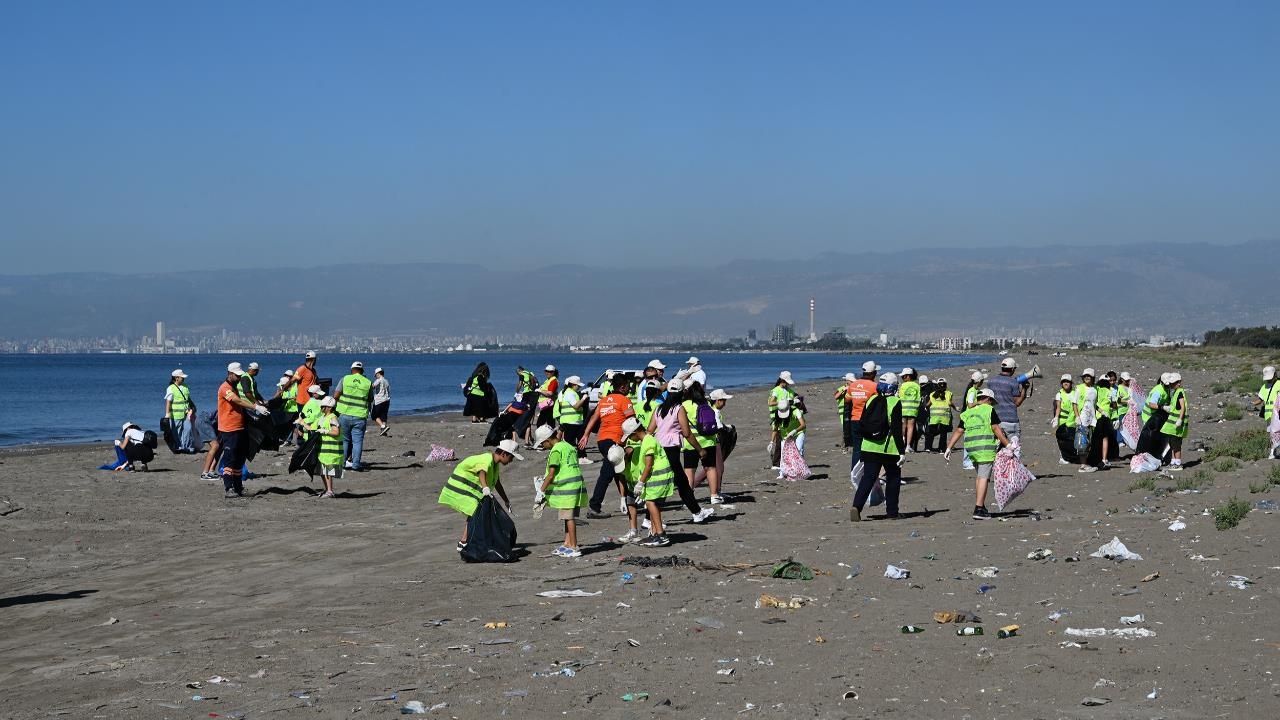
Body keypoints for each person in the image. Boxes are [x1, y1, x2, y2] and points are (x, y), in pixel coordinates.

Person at [438, 439, 521, 553]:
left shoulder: (495, 465)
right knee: (475, 511)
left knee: (475, 512)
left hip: (471, 489)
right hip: (461, 486)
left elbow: (497, 483)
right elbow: (482, 472)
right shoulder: (487, 459)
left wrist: (506, 501)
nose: (511, 460)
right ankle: (464, 542)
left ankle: (464, 541)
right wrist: (485, 487)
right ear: (503, 454)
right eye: (511, 457)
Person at [648, 378, 713, 522]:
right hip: (671, 449)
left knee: (673, 482)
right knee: (678, 482)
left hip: (659, 448)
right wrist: (700, 450)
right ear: (681, 392)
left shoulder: (659, 408)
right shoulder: (679, 408)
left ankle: (697, 512)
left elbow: (650, 430)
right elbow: (687, 433)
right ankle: (696, 513)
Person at [944, 388, 1011, 520]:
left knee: (980, 477)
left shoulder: (968, 412)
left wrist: (949, 448)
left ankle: (981, 505)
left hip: (971, 449)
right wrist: (1008, 444)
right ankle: (979, 508)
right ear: (988, 399)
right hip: (985, 448)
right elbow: (995, 428)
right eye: (991, 402)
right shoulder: (989, 410)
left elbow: (959, 430)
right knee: (984, 478)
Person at [579, 373, 636, 518]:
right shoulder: (625, 400)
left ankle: (627, 501)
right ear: (623, 386)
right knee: (607, 473)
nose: (629, 388)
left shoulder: (604, 400)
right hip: (615, 441)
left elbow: (594, 418)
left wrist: (586, 435)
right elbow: (632, 422)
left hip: (602, 440)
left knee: (618, 471)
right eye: (628, 386)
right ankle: (594, 507)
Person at [850, 372, 905, 522]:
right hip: (889, 448)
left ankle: (857, 506)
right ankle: (892, 512)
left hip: (868, 446)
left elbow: (863, 422)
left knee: (868, 478)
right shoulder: (895, 402)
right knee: (893, 478)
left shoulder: (871, 399)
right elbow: (896, 429)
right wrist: (902, 451)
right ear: (894, 387)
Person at [533, 425, 589, 557]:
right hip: (576, 486)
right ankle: (567, 543)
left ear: (547, 440)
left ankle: (574, 547)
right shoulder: (568, 446)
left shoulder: (556, 451)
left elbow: (551, 474)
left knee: (569, 518)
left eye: (542, 444)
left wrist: (541, 491)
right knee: (567, 517)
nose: (543, 447)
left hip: (566, 490)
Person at [624, 417, 678, 547]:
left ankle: (660, 535)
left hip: (658, 477)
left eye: (630, 436)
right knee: (653, 504)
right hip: (657, 477)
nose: (630, 439)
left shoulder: (648, 441)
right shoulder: (647, 439)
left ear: (635, 432)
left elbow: (649, 465)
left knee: (650, 502)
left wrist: (640, 483)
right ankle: (654, 533)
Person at [217, 362, 266, 498]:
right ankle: (229, 488)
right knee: (230, 458)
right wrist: (255, 406)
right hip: (228, 428)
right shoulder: (225, 388)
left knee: (239, 458)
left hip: (239, 427)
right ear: (230, 374)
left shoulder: (234, 387)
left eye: (240, 376)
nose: (239, 378)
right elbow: (237, 401)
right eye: (237, 376)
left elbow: (239, 405)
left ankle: (238, 487)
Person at [682, 381, 723, 502]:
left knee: (690, 470)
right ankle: (714, 495)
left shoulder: (684, 405)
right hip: (708, 440)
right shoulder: (706, 404)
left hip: (691, 442)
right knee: (710, 468)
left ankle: (689, 498)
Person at [333, 361, 372, 471]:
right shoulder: (367, 382)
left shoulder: (345, 379)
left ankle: (342, 463)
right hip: (360, 416)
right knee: (357, 441)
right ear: (362, 371)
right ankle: (355, 464)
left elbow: (336, 395)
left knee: (344, 440)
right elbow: (371, 399)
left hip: (344, 414)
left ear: (352, 370)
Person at [694, 388, 733, 492]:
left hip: (709, 442)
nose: (725, 403)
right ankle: (716, 491)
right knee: (718, 468)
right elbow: (719, 427)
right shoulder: (714, 411)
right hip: (713, 442)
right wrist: (728, 428)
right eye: (724, 400)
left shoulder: (711, 409)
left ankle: (693, 486)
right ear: (718, 401)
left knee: (710, 467)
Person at [845, 361, 879, 471]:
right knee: (870, 447)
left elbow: (847, 399)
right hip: (868, 420)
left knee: (857, 449)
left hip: (855, 419)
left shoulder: (853, 385)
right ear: (873, 373)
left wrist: (858, 396)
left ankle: (854, 471)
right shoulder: (874, 387)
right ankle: (867, 471)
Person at [306, 396, 343, 498]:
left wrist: (326, 431)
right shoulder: (322, 418)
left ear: (330, 408)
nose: (321, 408)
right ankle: (327, 489)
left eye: (324, 406)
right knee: (322, 471)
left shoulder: (333, 418)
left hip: (331, 450)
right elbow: (311, 428)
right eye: (321, 406)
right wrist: (302, 423)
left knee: (328, 471)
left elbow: (336, 432)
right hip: (322, 450)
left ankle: (330, 491)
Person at [986, 358, 1025, 442]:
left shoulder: (990, 381)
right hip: (1010, 420)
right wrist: (1024, 389)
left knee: (996, 451)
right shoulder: (1013, 382)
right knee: (1014, 449)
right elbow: (1017, 402)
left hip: (994, 420)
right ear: (1012, 369)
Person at [768, 371, 798, 468]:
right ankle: (776, 463)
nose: (788, 384)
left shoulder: (788, 390)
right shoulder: (776, 390)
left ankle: (783, 461)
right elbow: (770, 403)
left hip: (787, 415)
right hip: (777, 415)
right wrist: (783, 402)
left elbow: (796, 395)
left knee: (785, 438)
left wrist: (796, 399)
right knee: (779, 438)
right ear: (782, 381)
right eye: (787, 382)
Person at [164, 369, 198, 453]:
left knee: (188, 429)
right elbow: (168, 401)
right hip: (175, 415)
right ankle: (178, 447)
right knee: (177, 432)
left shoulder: (185, 386)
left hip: (186, 413)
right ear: (176, 378)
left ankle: (186, 447)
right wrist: (167, 414)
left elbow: (187, 399)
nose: (183, 379)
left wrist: (193, 407)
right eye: (181, 377)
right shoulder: (171, 388)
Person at [556, 375, 589, 460]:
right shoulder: (570, 393)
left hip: (575, 421)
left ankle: (582, 457)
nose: (579, 387)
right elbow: (576, 406)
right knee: (570, 442)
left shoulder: (571, 393)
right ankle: (573, 458)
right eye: (578, 386)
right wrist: (583, 399)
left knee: (579, 440)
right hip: (571, 421)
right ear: (573, 385)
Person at [1160, 373, 1189, 470]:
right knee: (1172, 444)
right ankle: (1173, 462)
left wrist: (1180, 419)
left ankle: (1178, 463)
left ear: (1179, 382)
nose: (1171, 385)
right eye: (1171, 383)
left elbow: (1182, 407)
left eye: (1173, 383)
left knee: (1176, 445)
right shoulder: (1175, 392)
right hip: (1173, 425)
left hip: (1177, 424)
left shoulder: (1180, 392)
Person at [1075, 369, 1101, 473]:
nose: (1086, 377)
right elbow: (1074, 403)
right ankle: (1083, 465)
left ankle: (1086, 463)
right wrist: (1077, 417)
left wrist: (1102, 411)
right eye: (1085, 375)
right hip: (1082, 418)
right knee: (1082, 442)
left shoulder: (1095, 389)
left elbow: (1095, 404)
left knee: (1089, 441)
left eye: (1089, 376)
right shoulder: (1079, 388)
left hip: (1092, 419)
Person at [1051, 374, 1078, 464]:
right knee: (1062, 439)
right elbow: (1058, 407)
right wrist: (1056, 418)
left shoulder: (1075, 392)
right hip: (1062, 419)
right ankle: (1063, 457)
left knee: (1072, 438)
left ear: (1071, 383)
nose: (1066, 383)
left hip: (1073, 419)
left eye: (1067, 382)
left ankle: (1070, 456)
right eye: (1064, 382)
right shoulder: (1059, 394)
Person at [924, 378, 956, 453]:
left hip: (934, 416)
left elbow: (928, 404)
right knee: (943, 433)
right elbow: (950, 403)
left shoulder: (932, 394)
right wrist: (955, 408)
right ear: (946, 385)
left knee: (931, 432)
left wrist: (925, 407)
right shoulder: (949, 393)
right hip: (944, 416)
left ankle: (928, 448)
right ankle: (941, 449)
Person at [898, 368, 921, 453]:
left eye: (903, 376)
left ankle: (902, 443)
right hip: (913, 409)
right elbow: (919, 398)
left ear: (908, 376)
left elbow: (900, 396)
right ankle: (908, 446)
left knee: (903, 426)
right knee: (910, 427)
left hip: (903, 408)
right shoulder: (917, 386)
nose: (902, 378)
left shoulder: (903, 385)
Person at [534, 365, 560, 435]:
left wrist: (540, 391)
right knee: (548, 423)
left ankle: (549, 440)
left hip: (549, 405)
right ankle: (550, 439)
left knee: (544, 424)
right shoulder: (548, 380)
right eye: (546, 371)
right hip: (546, 405)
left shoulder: (553, 380)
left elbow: (550, 393)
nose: (548, 373)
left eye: (550, 371)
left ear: (553, 372)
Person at [834, 373, 856, 449]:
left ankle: (849, 443)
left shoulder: (854, 388)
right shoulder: (842, 388)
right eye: (851, 381)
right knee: (845, 427)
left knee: (851, 427)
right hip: (843, 411)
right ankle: (845, 444)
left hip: (852, 411)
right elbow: (836, 396)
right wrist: (844, 390)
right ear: (847, 381)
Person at [371, 367, 392, 437]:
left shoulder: (379, 380)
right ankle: (384, 431)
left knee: (374, 415)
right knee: (383, 416)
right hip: (387, 400)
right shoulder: (386, 381)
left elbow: (372, 386)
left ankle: (383, 427)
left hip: (379, 400)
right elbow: (389, 391)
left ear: (378, 373)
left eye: (376, 374)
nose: (375, 376)